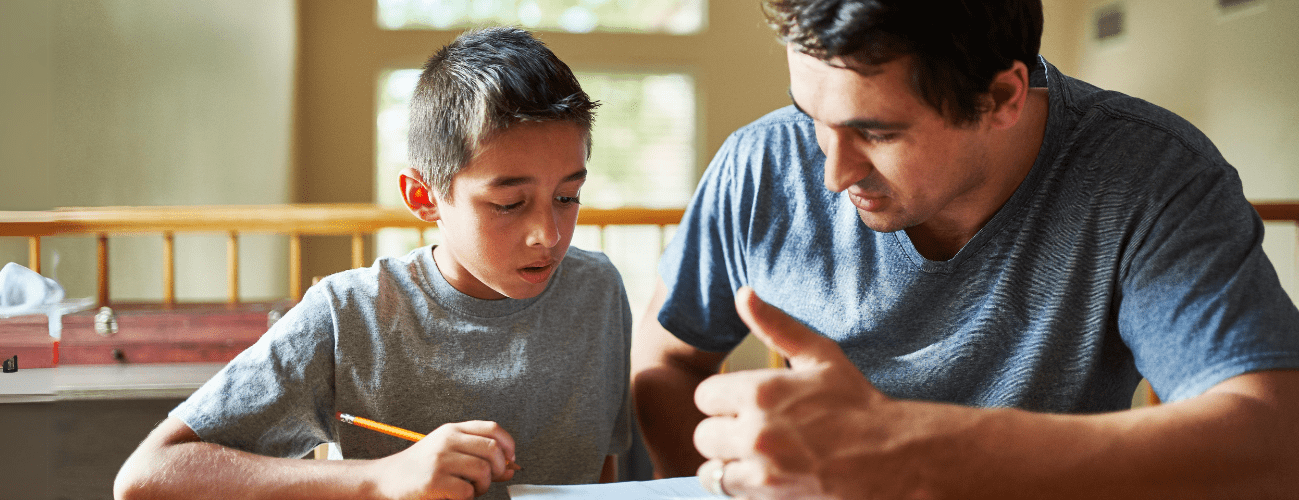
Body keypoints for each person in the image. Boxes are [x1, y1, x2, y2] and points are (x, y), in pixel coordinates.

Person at [631, 0, 1299, 498]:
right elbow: (667, 361)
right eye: (811, 117)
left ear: (1002, 95)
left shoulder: (1152, 174)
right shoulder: (756, 164)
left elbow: (1274, 443)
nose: (832, 175)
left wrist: (904, 450)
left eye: (876, 131)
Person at [115, 27, 631, 500]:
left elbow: (604, 473)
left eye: (568, 196)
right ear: (422, 196)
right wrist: (379, 478)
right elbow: (146, 478)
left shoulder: (599, 290)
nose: (549, 233)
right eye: (508, 204)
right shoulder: (349, 315)